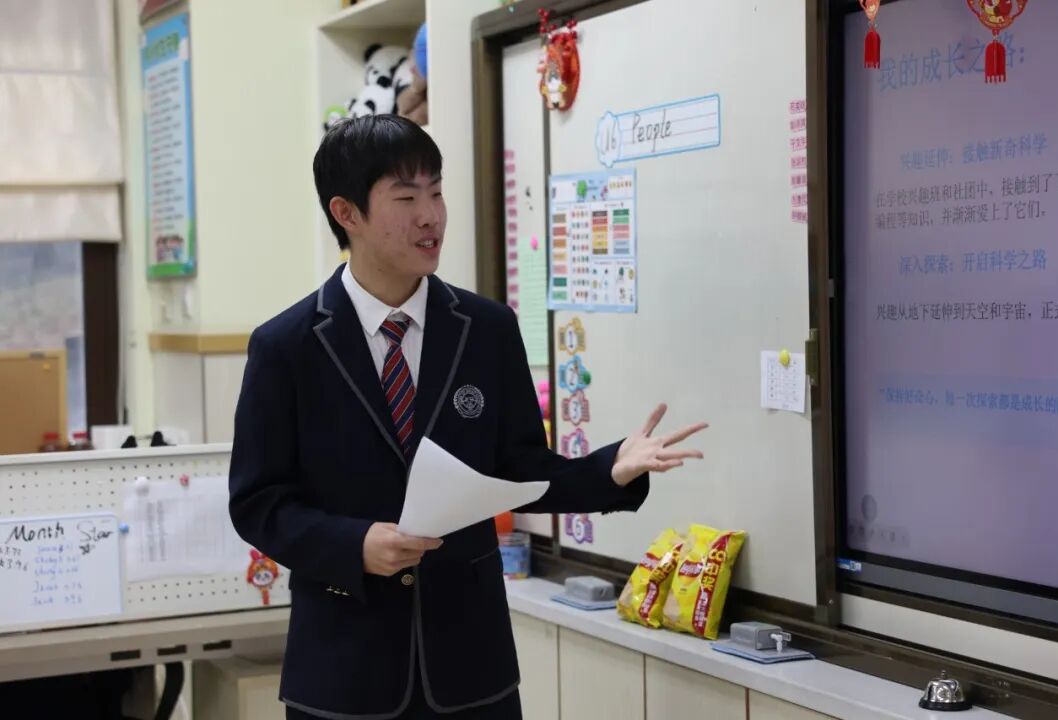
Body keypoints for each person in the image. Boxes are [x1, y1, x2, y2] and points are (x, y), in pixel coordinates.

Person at [228, 115, 707, 719]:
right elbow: (258, 502)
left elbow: (520, 470)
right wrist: (354, 544)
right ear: (346, 213)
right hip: (344, 673)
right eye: (406, 198)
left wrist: (610, 469)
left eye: (436, 192)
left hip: (471, 672)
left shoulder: (486, 329)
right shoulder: (287, 346)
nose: (431, 216)